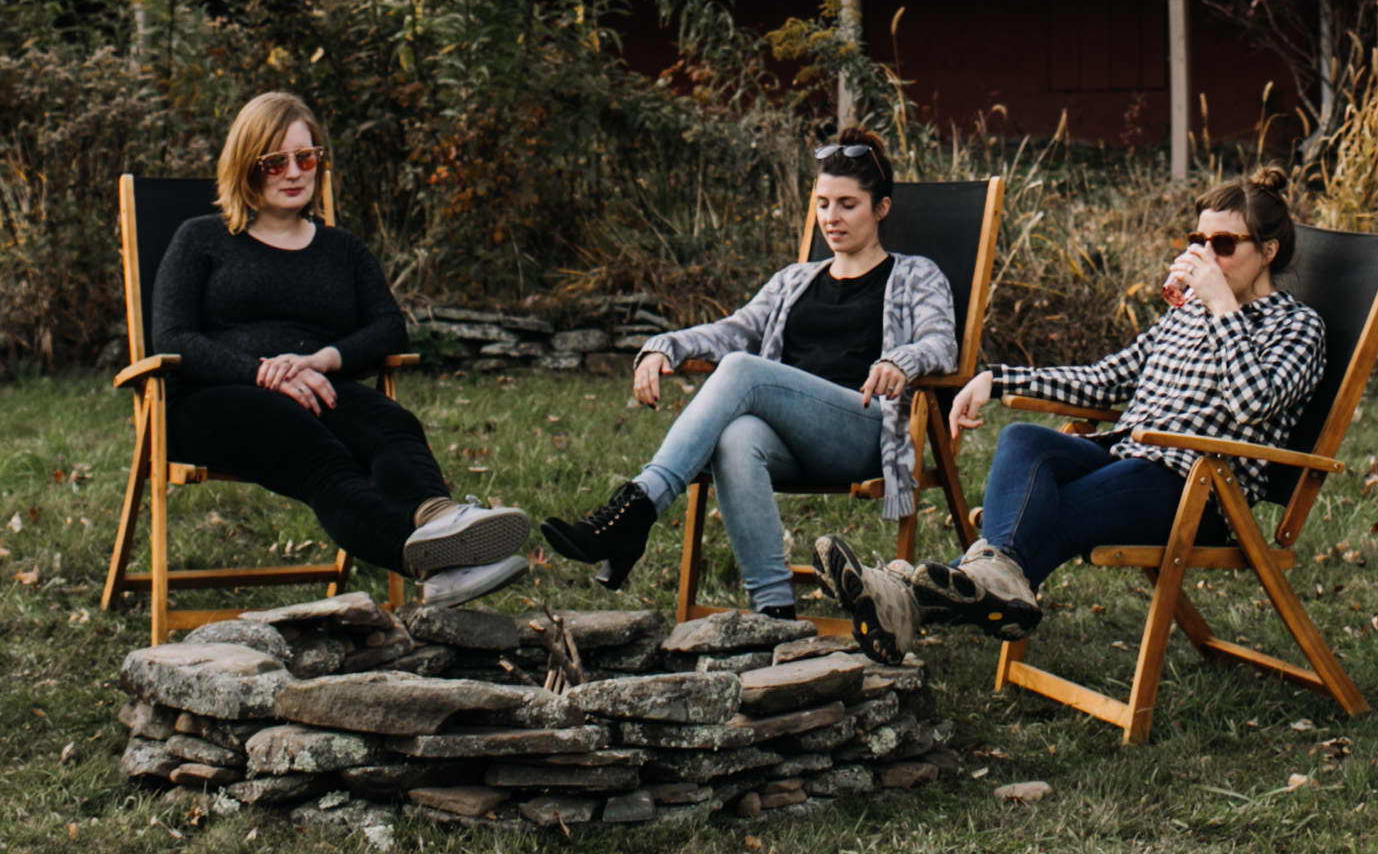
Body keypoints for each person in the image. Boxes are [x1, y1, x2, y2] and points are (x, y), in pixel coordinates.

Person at [813, 167, 1324, 662]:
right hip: (1129, 460)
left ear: (1268, 252)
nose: (1206, 257)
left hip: (1200, 488)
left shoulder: (1297, 327)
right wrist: (997, 379)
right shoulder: (1186, 316)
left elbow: (1253, 404)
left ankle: (901, 595)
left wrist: (1222, 310)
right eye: (1199, 240)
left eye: (1225, 245)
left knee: (1048, 508)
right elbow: (1106, 378)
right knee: (1023, 441)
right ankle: (983, 583)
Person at [540, 136, 959, 616]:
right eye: (822, 203)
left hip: (863, 431)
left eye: (848, 205)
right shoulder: (793, 280)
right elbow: (733, 330)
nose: (831, 218)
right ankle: (773, 611)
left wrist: (900, 361)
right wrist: (664, 347)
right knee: (736, 435)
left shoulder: (916, 275)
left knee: (743, 371)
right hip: (794, 441)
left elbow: (940, 344)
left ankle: (636, 509)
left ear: (880, 208)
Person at [150, 93, 534, 606]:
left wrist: (320, 360)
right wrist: (264, 373)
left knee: (391, 422)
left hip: (318, 385)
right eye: (275, 162)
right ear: (247, 167)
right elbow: (172, 338)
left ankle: (441, 521)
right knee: (318, 453)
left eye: (306, 158)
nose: (294, 173)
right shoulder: (201, 239)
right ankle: (434, 563)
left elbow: (388, 328)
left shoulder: (341, 248)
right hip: (214, 399)